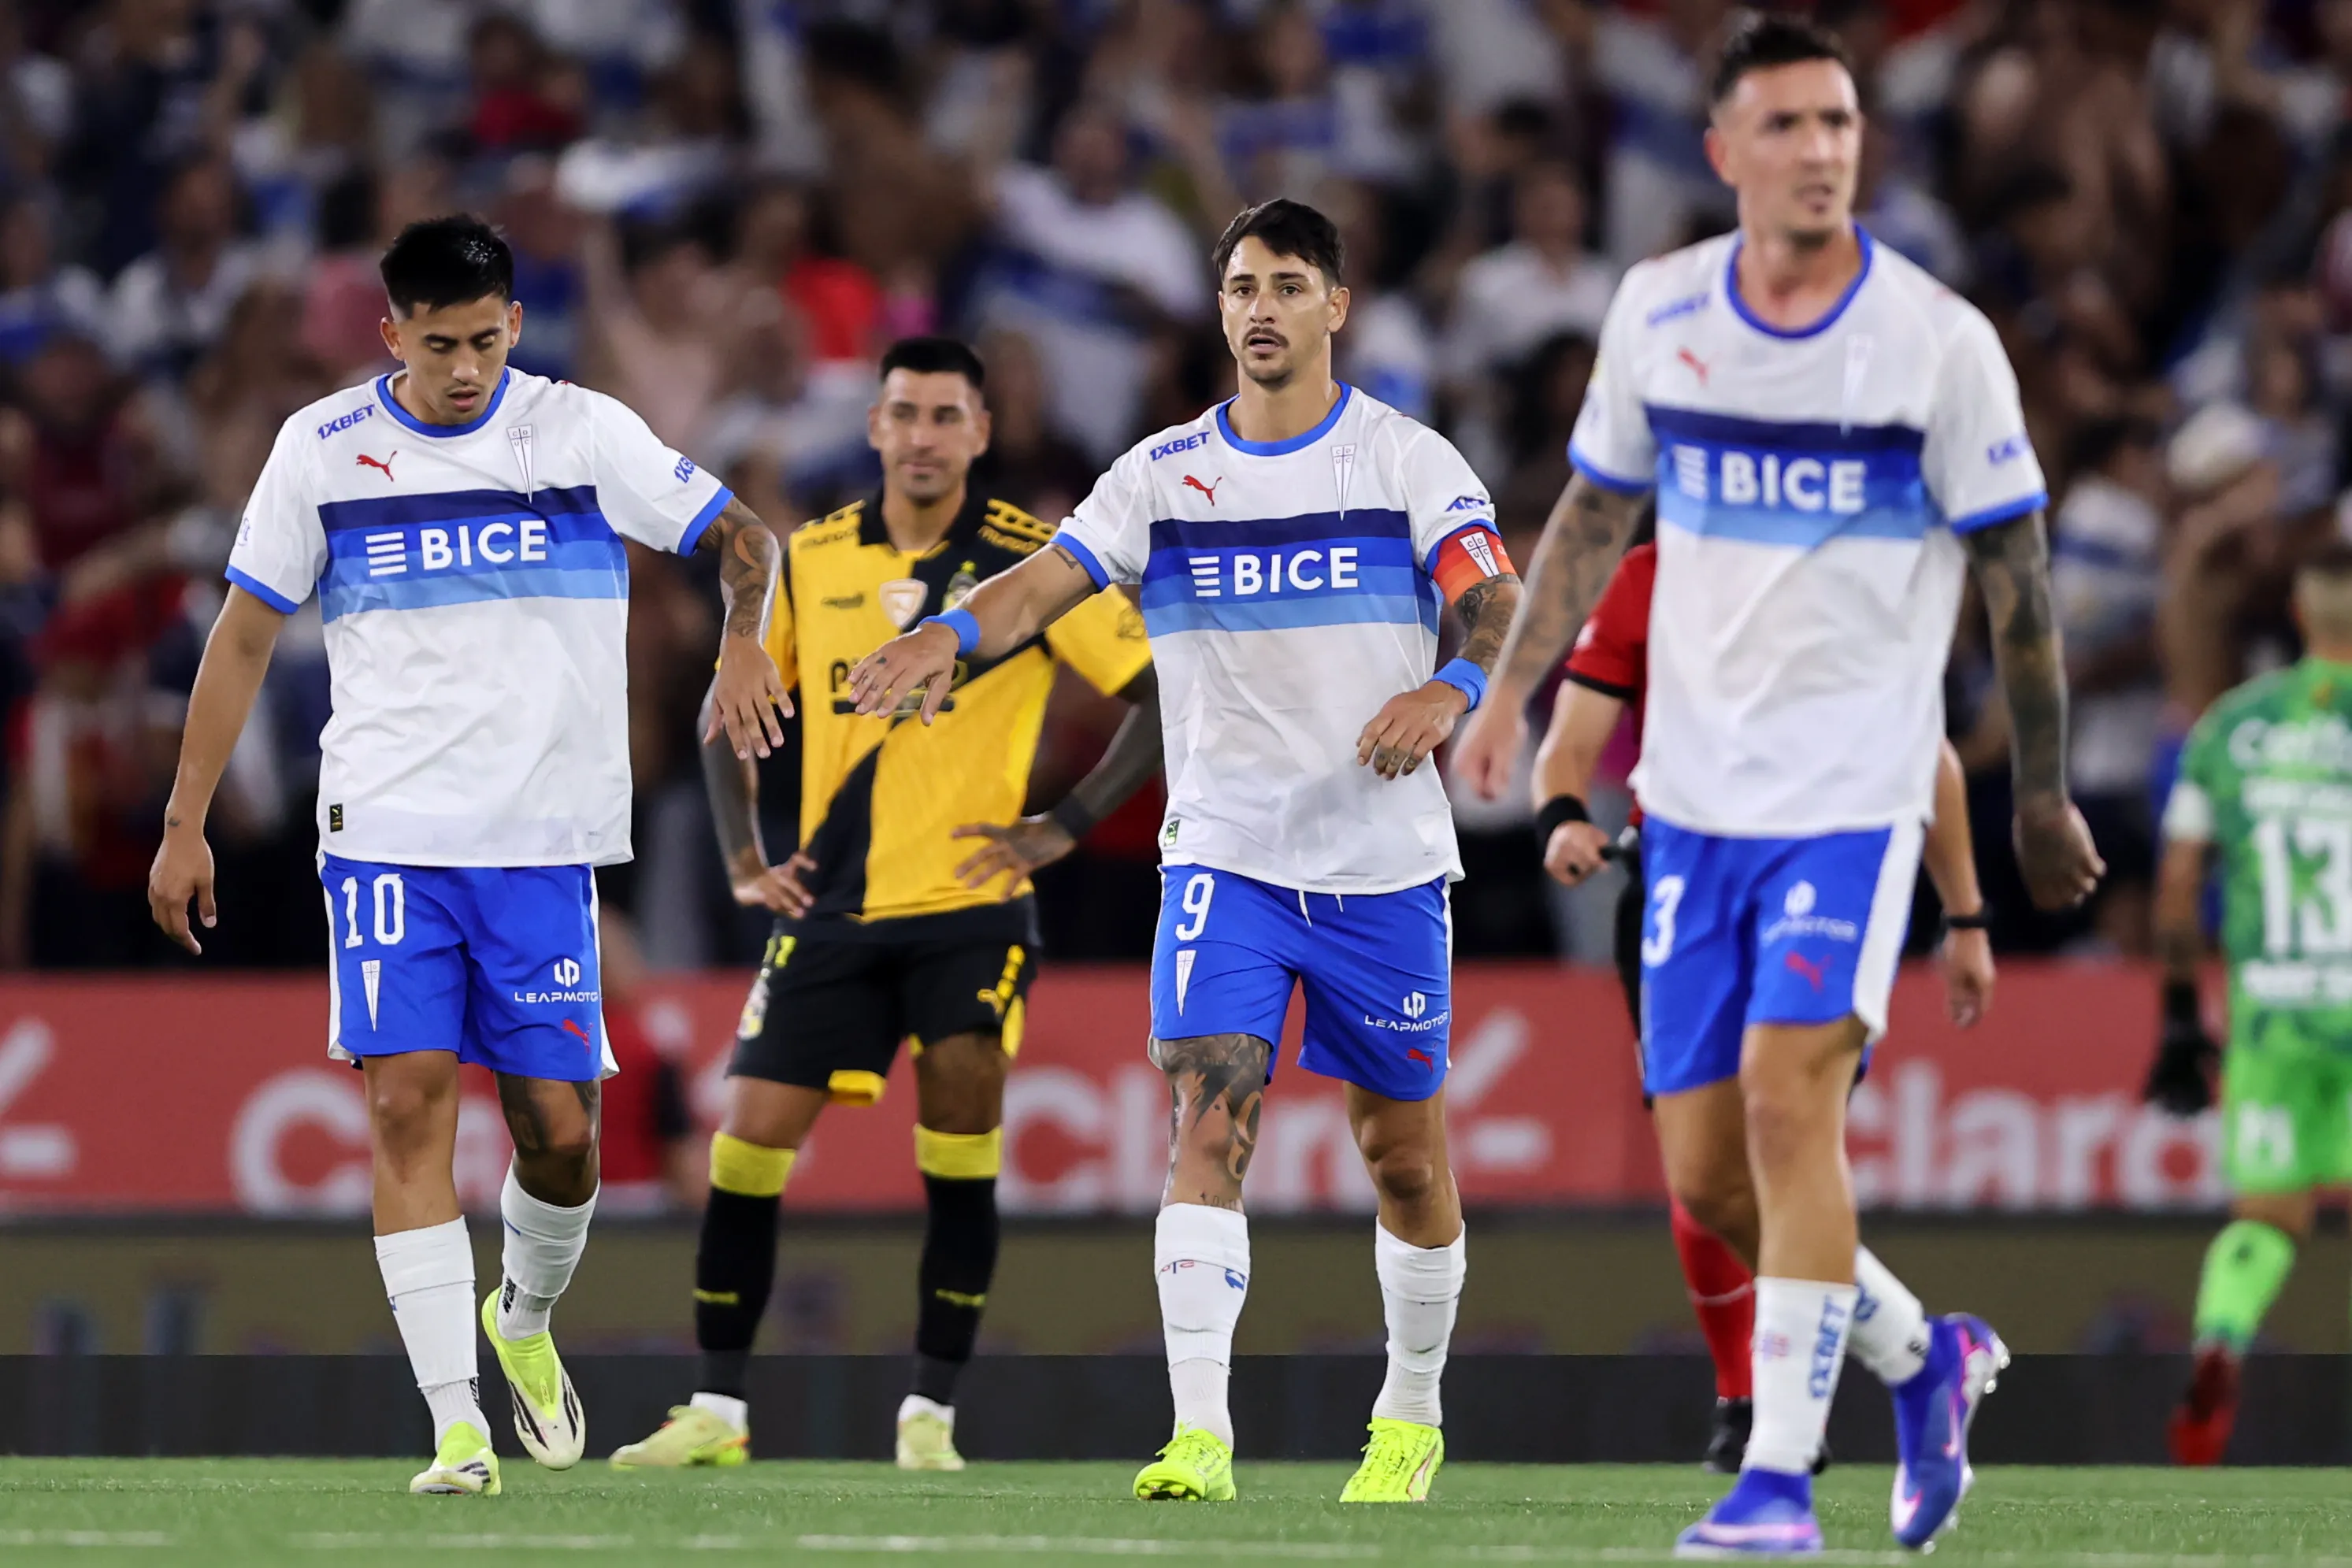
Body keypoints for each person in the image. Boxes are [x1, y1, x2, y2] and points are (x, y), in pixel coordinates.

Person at [1450, 16, 2102, 1555]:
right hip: (1691, 805)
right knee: (1707, 1176)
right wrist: (1509, 697)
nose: (1821, 150)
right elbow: (1593, 519)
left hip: (1853, 796)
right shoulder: (1658, 310)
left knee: (1785, 1108)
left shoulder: (1937, 340)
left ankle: (1777, 1482)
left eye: (1839, 123)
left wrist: (2038, 792)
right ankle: (1922, 1353)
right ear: (1721, 149)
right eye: (1789, 124)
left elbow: (2015, 579)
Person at [850, 198, 1523, 1506]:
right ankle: (1199, 1435)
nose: (1261, 308)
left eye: (1288, 285)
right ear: (1219, 311)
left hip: (1381, 865)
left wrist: (1450, 686)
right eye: (1242, 288)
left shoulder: (1404, 460)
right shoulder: (1161, 474)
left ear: (1336, 306)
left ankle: (1409, 1411)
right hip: (1226, 856)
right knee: (1208, 1118)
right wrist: (950, 634)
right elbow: (1043, 583)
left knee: (1403, 1156)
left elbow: (1494, 594)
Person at [145, 215, 788, 1497]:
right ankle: (456, 1428)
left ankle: (523, 1315)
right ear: (392, 334)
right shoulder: (322, 449)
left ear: (516, 326)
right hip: (385, 833)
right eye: (438, 344)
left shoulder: (580, 432)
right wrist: (183, 820)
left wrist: (742, 637)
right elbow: (243, 635)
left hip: (541, 843)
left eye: (486, 342)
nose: (463, 368)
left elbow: (746, 540)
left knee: (559, 1133)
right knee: (405, 1104)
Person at [609, 337, 1162, 1475]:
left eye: (945, 415)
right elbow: (730, 698)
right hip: (832, 907)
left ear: (980, 432)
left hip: (970, 903)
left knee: (960, 1117)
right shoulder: (812, 557)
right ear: (873, 426)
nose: (921, 435)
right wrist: (741, 854)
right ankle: (715, 1407)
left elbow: (1159, 694)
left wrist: (1062, 823)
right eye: (903, 412)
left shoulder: (1032, 564)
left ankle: (930, 1413)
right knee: (744, 1143)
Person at [1533, 525, 1998, 1473]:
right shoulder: (1646, 580)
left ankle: (1775, 1440)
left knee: (1783, 1134)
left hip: (1819, 868)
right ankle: (1917, 1350)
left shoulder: (1844, 574)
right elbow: (1568, 745)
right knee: (1706, 1178)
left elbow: (1924, 751)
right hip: (1678, 883)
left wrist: (1966, 916)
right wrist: (1563, 816)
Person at [2145, 542, 2352, 1466]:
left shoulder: (2228, 728)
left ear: (2300, 615)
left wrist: (2180, 1017)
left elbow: (2176, 887)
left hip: (2271, 1012)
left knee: (2266, 1215)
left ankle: (2221, 1340)